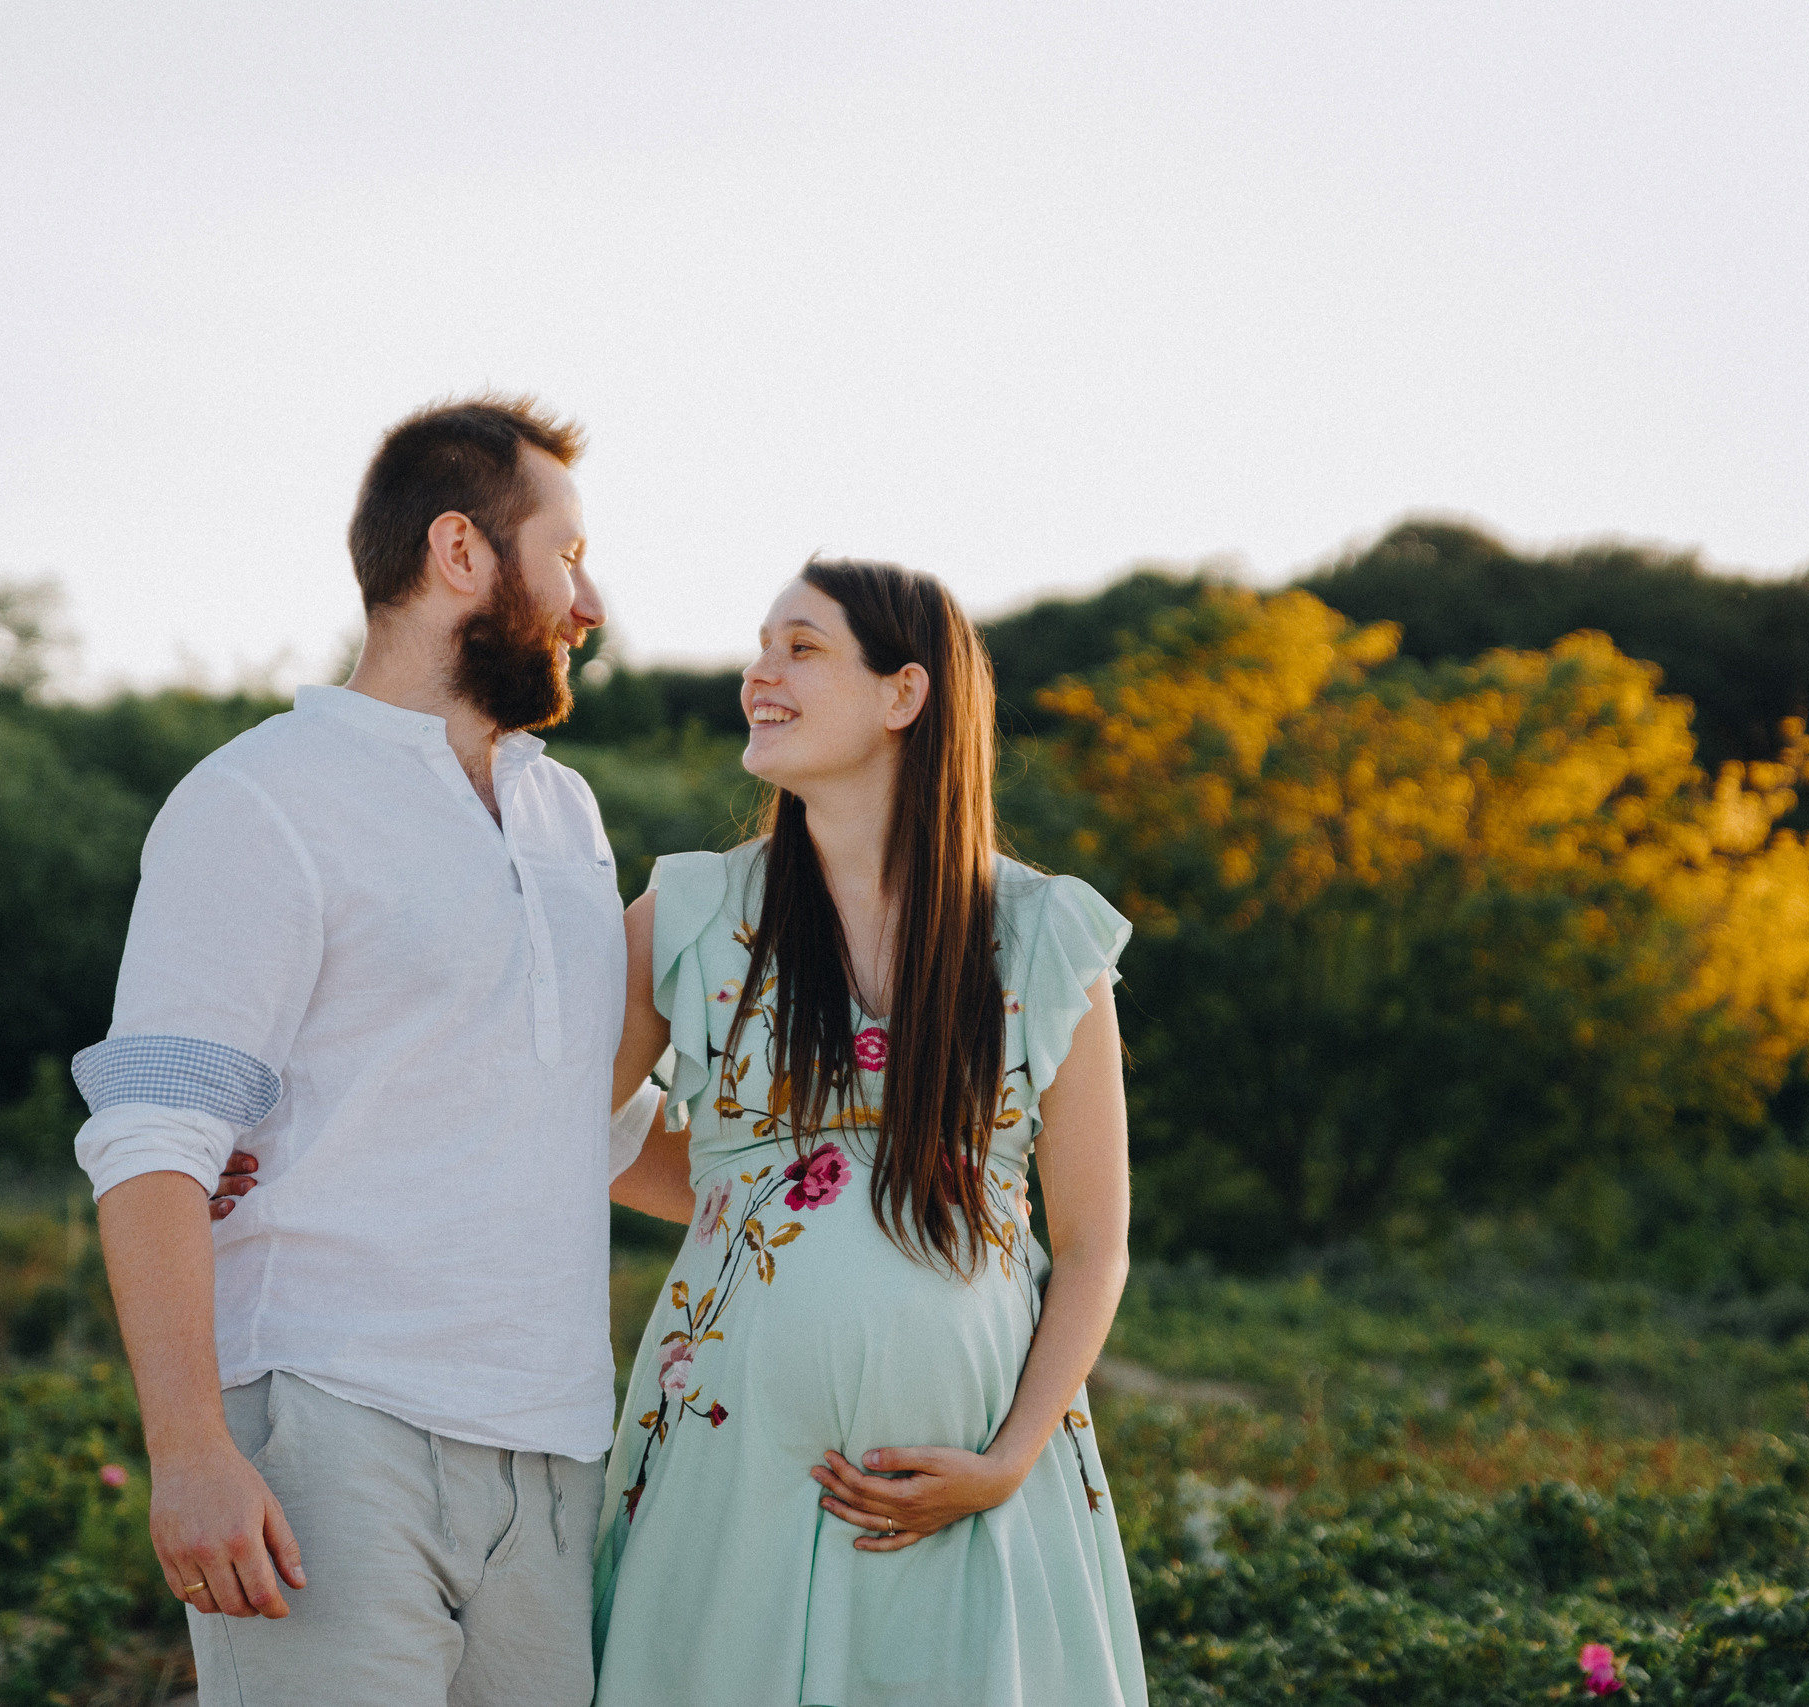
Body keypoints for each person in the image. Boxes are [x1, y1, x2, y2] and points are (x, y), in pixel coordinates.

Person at [74, 395, 660, 1707]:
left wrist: (870, 1206)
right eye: (566, 553)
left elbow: (582, 1120)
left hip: (556, 1451)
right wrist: (191, 1446)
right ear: (462, 552)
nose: (593, 603)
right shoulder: (258, 797)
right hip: (334, 1433)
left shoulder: (566, 814)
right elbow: (154, 1135)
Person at [588, 559, 1150, 1704]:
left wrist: (1004, 1465)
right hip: (729, 1459)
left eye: (800, 647)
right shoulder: (691, 913)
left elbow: (1094, 1246)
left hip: (979, 1485)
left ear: (905, 694)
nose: (758, 675)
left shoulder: (1047, 936)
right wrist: (730, 1195)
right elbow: (546, 1120)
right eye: (758, 648)